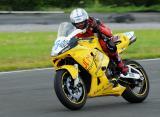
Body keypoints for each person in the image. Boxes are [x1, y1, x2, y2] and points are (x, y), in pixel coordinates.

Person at [70, 8, 128, 75]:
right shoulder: (73, 29)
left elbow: (109, 33)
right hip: (84, 46)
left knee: (108, 45)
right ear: (73, 23)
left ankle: (120, 64)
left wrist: (97, 27)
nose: (80, 25)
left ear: (86, 20)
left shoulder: (93, 22)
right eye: (77, 24)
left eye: (82, 23)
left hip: (98, 42)